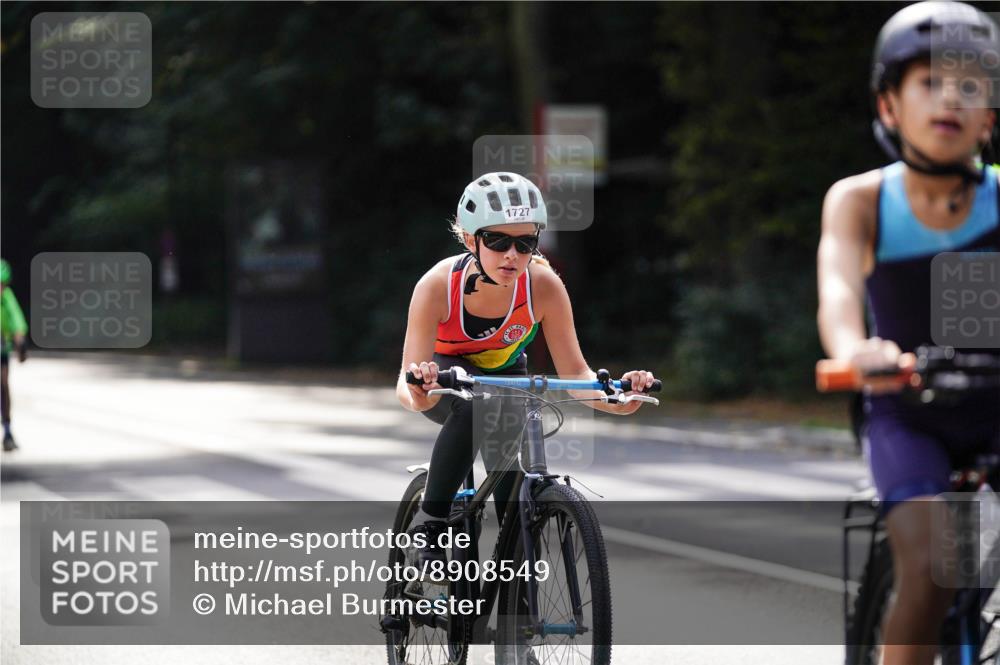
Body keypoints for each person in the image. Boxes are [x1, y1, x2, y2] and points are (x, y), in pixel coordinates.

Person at [817, 3, 1000, 664]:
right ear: (889, 104)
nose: (950, 98)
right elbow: (838, 292)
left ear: (991, 118)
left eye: (971, 86)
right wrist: (855, 350)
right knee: (927, 568)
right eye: (929, 82)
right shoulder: (860, 199)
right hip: (908, 411)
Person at [396, 172, 655, 566]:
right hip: (447, 378)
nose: (512, 255)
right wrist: (419, 392)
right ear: (471, 240)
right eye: (498, 241)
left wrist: (618, 400)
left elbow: (577, 375)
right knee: (475, 407)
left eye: (525, 242)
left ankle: (514, 566)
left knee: (510, 461)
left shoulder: (544, 286)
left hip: (504, 373)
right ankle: (429, 523)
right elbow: (405, 380)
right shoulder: (436, 286)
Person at [1, 259, 28, 452]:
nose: (0, 289)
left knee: (3, 384)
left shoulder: (7, 297)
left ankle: (8, 430)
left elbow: (16, 318)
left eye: (3, 285)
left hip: (1, 348)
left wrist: (20, 341)